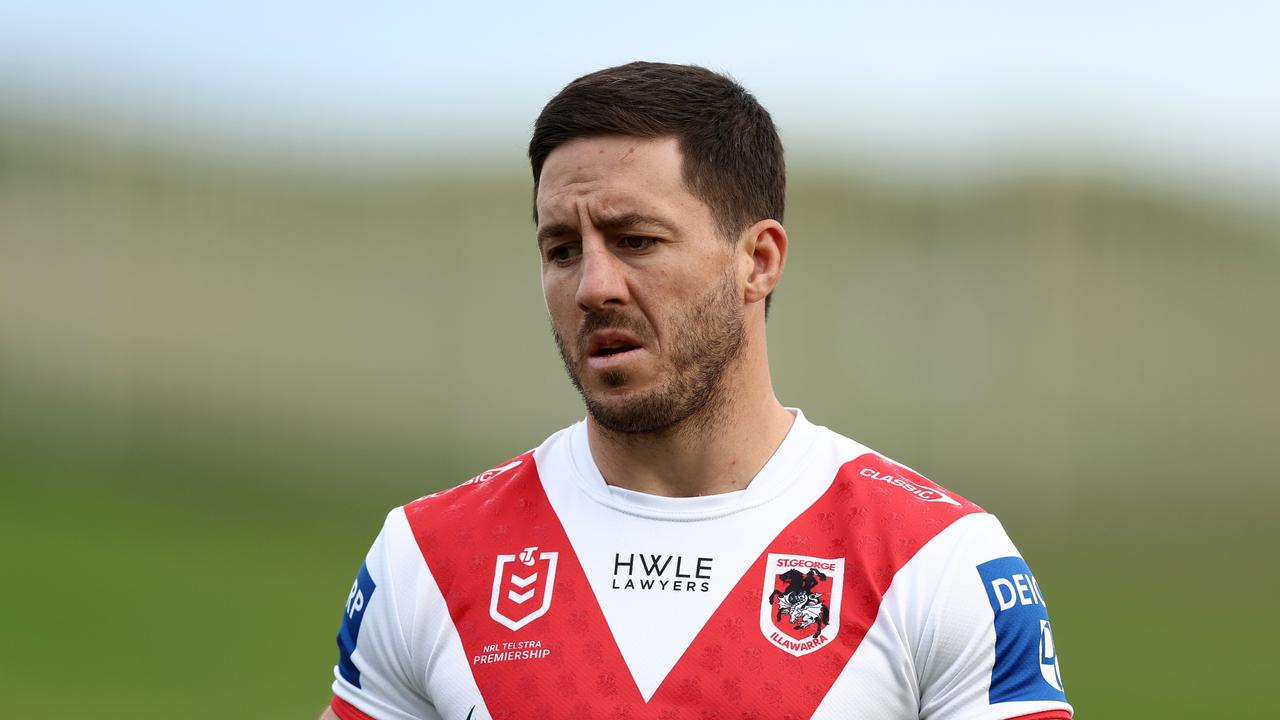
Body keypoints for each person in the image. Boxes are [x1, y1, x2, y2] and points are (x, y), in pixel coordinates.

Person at [321, 62, 1073, 720]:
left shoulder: (933, 564)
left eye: (636, 241)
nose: (592, 286)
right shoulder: (430, 556)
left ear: (759, 260)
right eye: (560, 249)